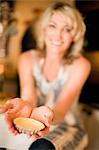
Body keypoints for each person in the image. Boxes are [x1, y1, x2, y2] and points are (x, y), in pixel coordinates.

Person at [0, 1, 91, 150]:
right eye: (52, 26)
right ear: (44, 29)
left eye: (67, 29)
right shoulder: (27, 59)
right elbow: (29, 98)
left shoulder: (80, 65)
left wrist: (47, 115)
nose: (58, 35)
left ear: (74, 36)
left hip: (67, 126)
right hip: (32, 123)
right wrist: (27, 106)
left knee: (42, 146)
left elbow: (61, 110)